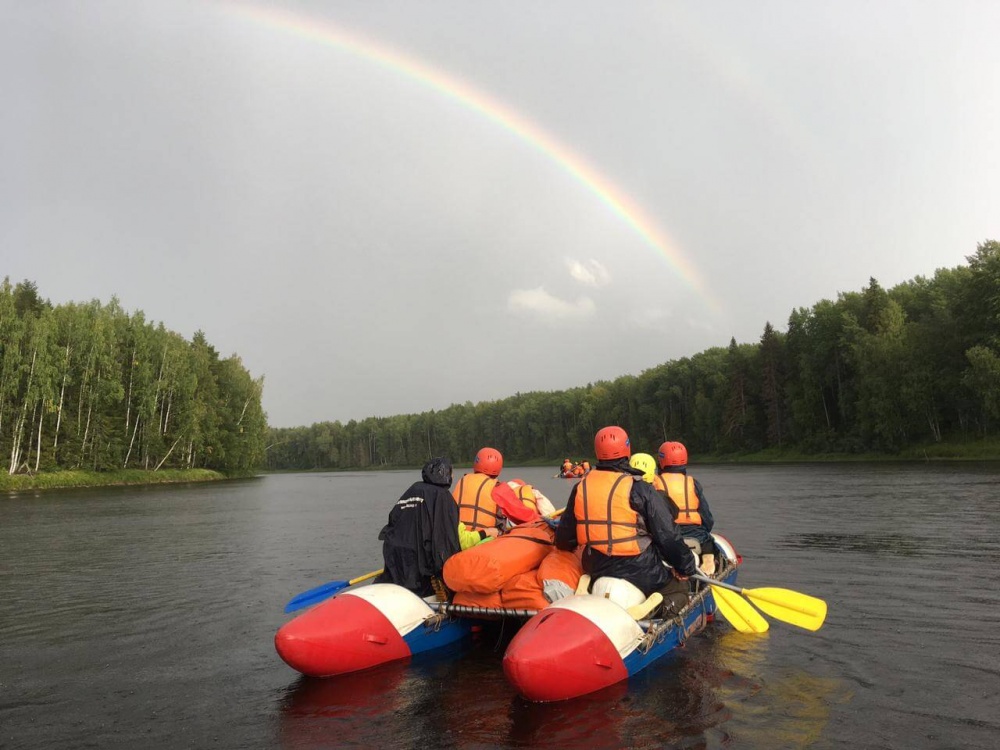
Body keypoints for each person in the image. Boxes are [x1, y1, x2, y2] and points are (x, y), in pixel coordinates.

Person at [556, 426, 697, 612]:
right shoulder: (639, 488)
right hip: (641, 569)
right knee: (679, 588)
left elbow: (564, 540)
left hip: (596, 566)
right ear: (627, 449)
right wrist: (685, 566)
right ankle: (653, 613)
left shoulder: (581, 487)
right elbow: (668, 536)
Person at [376, 457, 495, 597]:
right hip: (423, 575)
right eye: (451, 472)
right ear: (445, 474)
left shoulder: (412, 490)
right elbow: (458, 541)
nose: (453, 476)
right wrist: (486, 533)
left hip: (397, 566)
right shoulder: (443, 498)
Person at [655, 441, 717, 574]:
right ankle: (709, 566)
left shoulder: (655, 483)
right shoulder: (693, 484)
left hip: (668, 535)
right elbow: (707, 519)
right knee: (710, 543)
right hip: (696, 536)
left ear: (661, 460)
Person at [452, 447, 538, 531]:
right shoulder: (497, 487)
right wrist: (541, 519)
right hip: (484, 539)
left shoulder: (462, 481)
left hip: (459, 538)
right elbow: (522, 515)